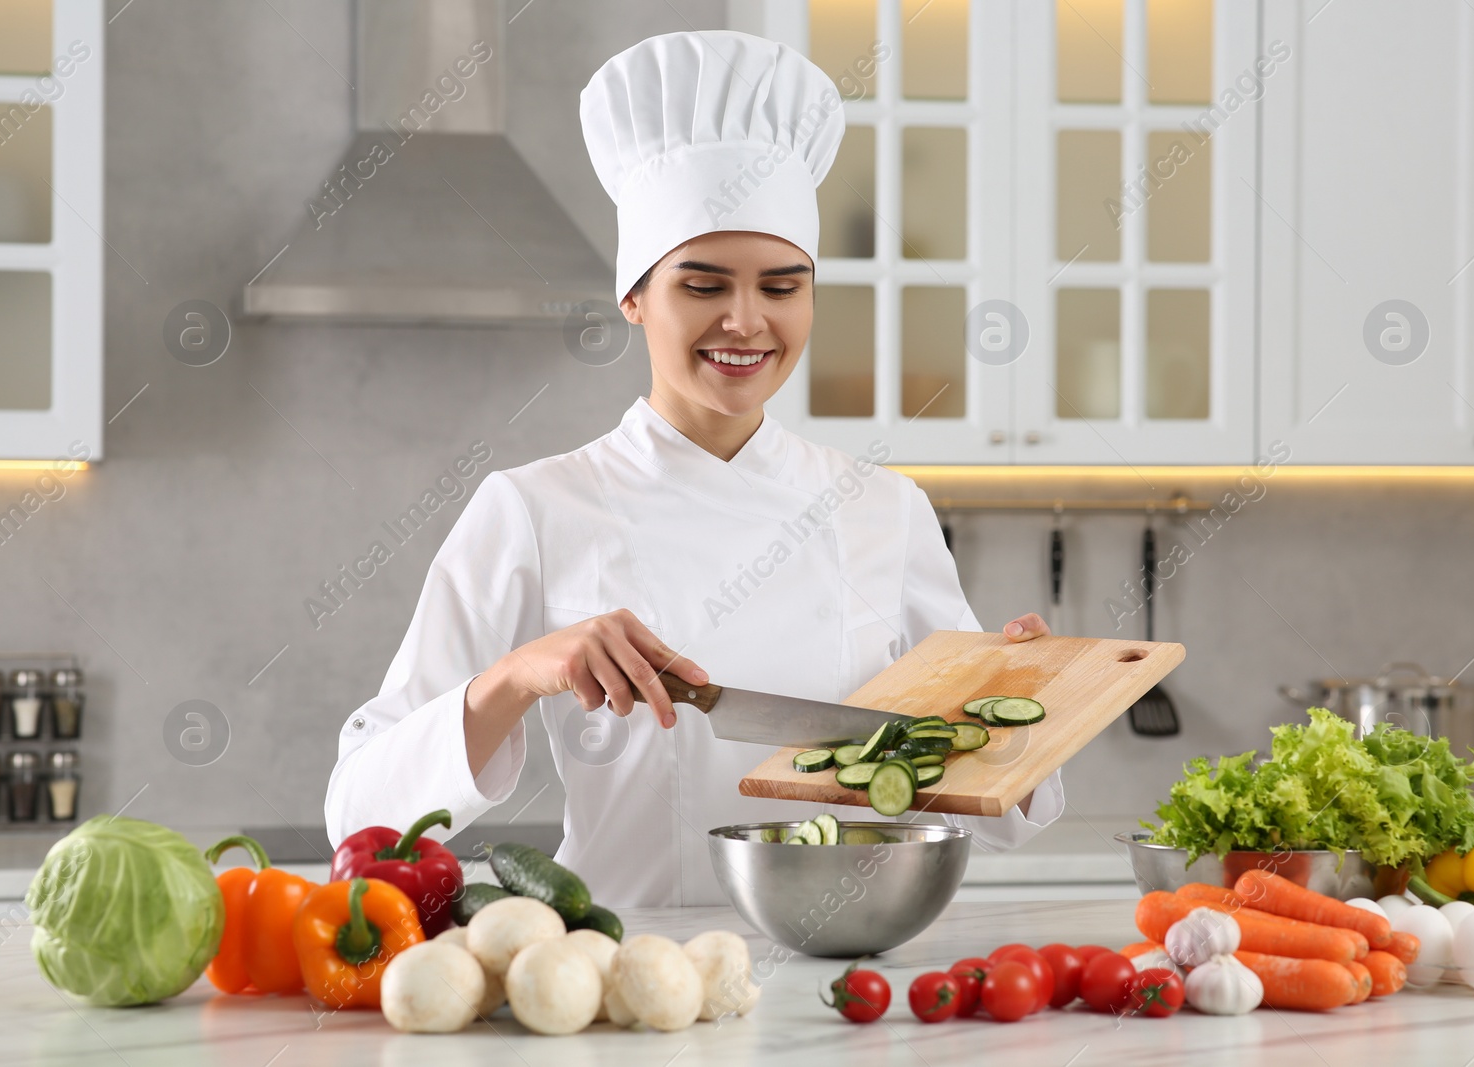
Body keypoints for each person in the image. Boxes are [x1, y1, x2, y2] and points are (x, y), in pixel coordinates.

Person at [325, 29, 1065, 907]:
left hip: (843, 976)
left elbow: (1008, 813)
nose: (747, 322)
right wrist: (519, 673)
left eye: (783, 287)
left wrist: (1018, 695)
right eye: (705, 286)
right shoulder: (533, 508)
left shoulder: (885, 508)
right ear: (634, 297)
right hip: (624, 983)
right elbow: (359, 813)